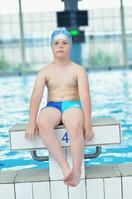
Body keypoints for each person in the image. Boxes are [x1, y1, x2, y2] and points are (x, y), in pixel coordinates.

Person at [25, 28, 94, 187]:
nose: (60, 46)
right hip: (53, 105)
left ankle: (77, 171)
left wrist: (88, 123)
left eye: (64, 43)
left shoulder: (78, 70)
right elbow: (36, 96)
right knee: (43, 122)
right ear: (51, 47)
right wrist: (31, 122)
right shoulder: (44, 72)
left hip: (72, 104)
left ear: (70, 46)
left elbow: (85, 96)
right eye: (56, 43)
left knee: (75, 124)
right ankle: (65, 167)